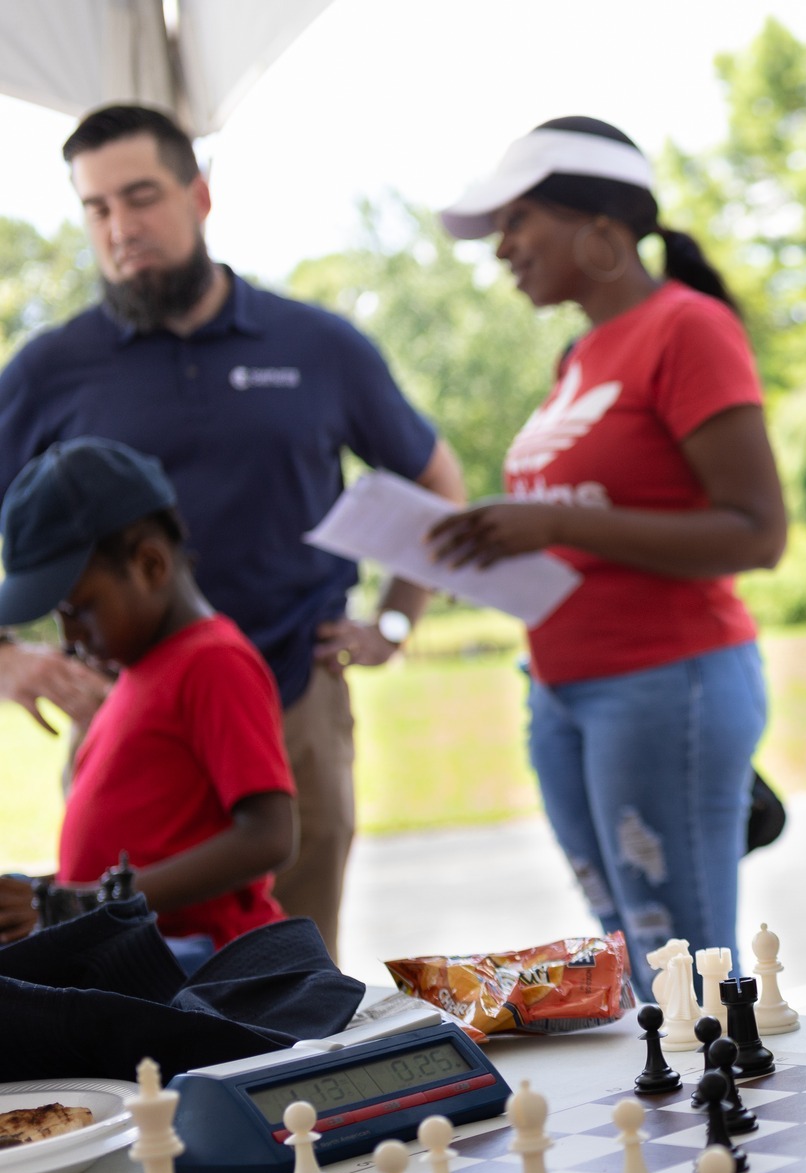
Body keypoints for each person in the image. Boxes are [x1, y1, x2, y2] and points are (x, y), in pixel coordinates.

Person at [0, 104, 468, 958]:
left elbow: (437, 484)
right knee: (118, 966)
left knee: (296, 978)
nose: (120, 227)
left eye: (141, 196)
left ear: (200, 194)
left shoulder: (317, 345)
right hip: (125, 715)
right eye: (96, 207)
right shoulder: (49, 368)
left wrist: (396, 621)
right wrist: (9, 657)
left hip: (292, 698)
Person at [429, 119, 786, 998]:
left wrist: (554, 523)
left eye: (518, 222)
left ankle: (722, 1092)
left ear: (601, 229)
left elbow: (757, 532)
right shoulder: (578, 355)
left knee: (684, 968)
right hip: (561, 688)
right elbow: (581, 516)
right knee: (633, 956)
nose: (503, 249)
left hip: (663, 682)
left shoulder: (686, 328)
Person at [0, 439, 294, 961]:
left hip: (206, 971)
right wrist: (47, 895)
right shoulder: (137, 672)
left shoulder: (214, 661)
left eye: (79, 609)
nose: (70, 637)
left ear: (150, 565)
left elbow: (269, 835)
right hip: (138, 953)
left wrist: (87, 904)